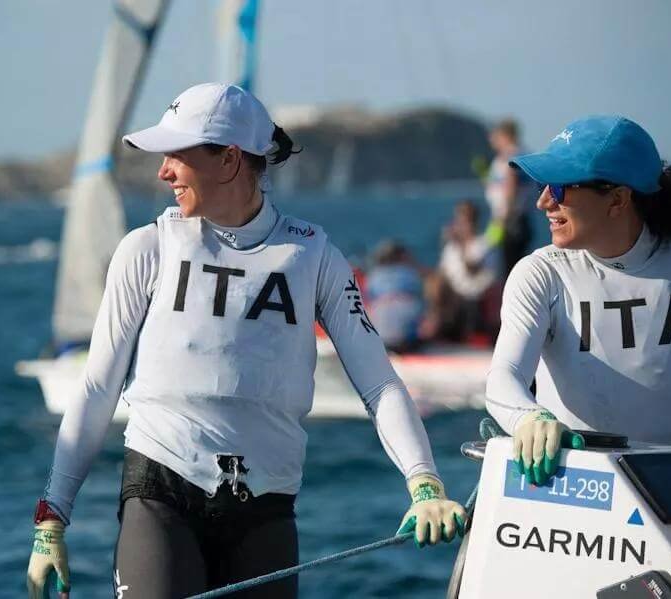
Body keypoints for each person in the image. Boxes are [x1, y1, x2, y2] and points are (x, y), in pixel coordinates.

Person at [26, 83, 467, 599]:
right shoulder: (145, 250)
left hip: (265, 509)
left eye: (177, 156)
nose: (163, 171)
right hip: (161, 492)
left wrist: (425, 484)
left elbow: (380, 385)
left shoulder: (314, 257)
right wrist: (51, 519)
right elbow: (97, 388)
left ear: (230, 159)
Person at [485, 115, 671, 487]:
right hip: (579, 490)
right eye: (544, 185)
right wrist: (528, 418)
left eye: (560, 188)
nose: (544, 201)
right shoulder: (540, 274)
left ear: (617, 199)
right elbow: (503, 379)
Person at [429, 200, 501, 342]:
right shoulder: (451, 248)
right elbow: (442, 275)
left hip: (476, 304)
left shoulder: (485, 244)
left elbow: (472, 269)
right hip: (455, 303)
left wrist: (460, 245)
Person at [484, 118, 538, 276]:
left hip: (510, 222)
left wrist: (502, 220)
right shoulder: (524, 154)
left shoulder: (511, 156)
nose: (491, 139)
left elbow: (511, 186)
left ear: (503, 135)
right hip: (520, 220)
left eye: (494, 135)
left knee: (510, 269)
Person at [364, 239, 426, 353]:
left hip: (378, 340)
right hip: (404, 342)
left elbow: (369, 299)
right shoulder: (411, 274)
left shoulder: (373, 276)